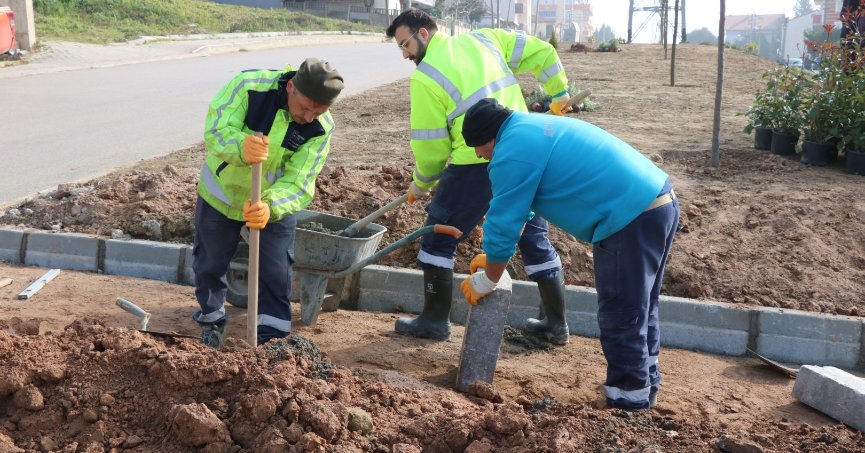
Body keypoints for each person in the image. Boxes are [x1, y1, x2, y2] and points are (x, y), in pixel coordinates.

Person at [459, 98, 680, 411]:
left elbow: (504, 218)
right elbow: (522, 213)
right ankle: (645, 385)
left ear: (489, 138)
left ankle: (628, 406)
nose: (481, 156)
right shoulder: (529, 129)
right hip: (658, 202)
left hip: (629, 217)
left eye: (479, 148)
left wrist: (489, 278)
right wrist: (495, 259)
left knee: (621, 314)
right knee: (641, 308)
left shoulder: (512, 150)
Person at [385, 8, 574, 342]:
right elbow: (543, 51)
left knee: (437, 238)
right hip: (525, 154)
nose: (404, 54)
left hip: (475, 162)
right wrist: (559, 93)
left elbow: (432, 147)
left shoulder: (425, 76)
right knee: (533, 238)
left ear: (424, 34)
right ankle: (556, 325)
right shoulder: (486, 39)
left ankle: (434, 320)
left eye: (405, 45)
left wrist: (422, 182)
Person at [193, 58, 344, 348]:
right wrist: (240, 145)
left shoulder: (320, 128)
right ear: (291, 87)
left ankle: (272, 340)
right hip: (221, 194)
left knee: (275, 270)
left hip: (269, 206)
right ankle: (211, 321)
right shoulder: (249, 87)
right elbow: (215, 130)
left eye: (320, 111)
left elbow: (300, 181)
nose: (310, 116)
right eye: (306, 107)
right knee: (209, 264)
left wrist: (270, 206)